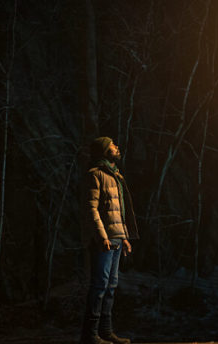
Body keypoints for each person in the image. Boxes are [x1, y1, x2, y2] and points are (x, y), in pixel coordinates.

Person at [80, 137, 139, 344]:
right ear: (105, 151)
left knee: (111, 286)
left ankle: (106, 332)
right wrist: (102, 236)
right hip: (103, 241)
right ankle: (91, 335)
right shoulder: (95, 176)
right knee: (99, 286)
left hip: (115, 239)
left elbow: (119, 211)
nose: (117, 147)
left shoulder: (115, 176)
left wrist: (124, 237)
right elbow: (91, 209)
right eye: (112, 145)